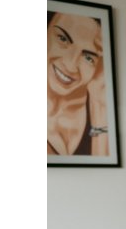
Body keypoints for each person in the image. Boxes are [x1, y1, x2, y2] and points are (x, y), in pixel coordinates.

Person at [47, 11, 109, 157]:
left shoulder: (100, 105)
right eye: (62, 39)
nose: (71, 65)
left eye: (88, 57)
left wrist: (99, 105)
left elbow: (107, 167)